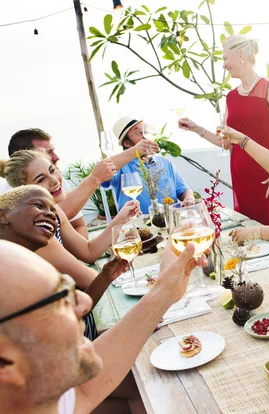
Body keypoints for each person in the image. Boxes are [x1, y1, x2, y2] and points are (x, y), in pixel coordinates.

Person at [0, 238, 205, 414]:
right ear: (6, 361)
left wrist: (164, 292)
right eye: (59, 297)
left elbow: (85, 390)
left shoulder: (38, 394)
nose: (85, 302)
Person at [179, 34, 269, 225]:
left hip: (266, 174)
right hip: (240, 175)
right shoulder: (230, 97)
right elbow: (224, 142)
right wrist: (196, 128)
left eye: (224, 58)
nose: (223, 65)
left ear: (240, 55)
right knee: (246, 230)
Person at [0, 185, 129, 342]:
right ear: (3, 215)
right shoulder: (9, 273)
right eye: (38, 205)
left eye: (53, 212)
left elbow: (74, 312)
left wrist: (105, 276)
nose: (51, 215)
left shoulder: (29, 262)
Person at [0, 150, 139, 293]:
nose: (54, 180)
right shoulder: (36, 229)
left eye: (52, 170)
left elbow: (88, 252)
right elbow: (89, 279)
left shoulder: (55, 210)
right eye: (41, 179)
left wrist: (120, 219)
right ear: (24, 190)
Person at [2, 128, 158, 237]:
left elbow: (79, 225)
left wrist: (76, 253)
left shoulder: (56, 179)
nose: (56, 157)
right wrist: (94, 178)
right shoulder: (11, 199)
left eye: (53, 150)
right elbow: (61, 212)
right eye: (48, 153)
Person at [103, 116, 194, 214]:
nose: (145, 135)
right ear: (127, 143)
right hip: (137, 226)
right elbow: (103, 170)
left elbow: (183, 189)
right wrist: (134, 151)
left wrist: (188, 198)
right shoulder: (120, 167)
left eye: (145, 130)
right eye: (138, 132)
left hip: (171, 221)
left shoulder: (164, 162)